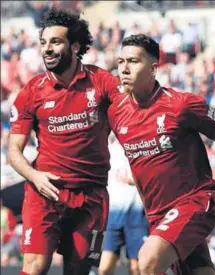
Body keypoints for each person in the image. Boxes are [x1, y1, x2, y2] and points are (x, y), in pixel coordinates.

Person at [107, 34, 215, 275]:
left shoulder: (181, 105)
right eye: (121, 61)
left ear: (153, 69)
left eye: (133, 61)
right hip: (158, 214)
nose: (124, 69)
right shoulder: (117, 113)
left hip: (196, 201)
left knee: (147, 262)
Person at [8, 7, 119, 275]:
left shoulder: (102, 82)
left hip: (91, 195)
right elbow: (14, 151)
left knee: (79, 271)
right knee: (35, 267)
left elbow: (132, 113)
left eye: (55, 42)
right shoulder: (31, 92)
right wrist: (35, 177)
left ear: (75, 45)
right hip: (45, 192)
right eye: (43, 43)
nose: (47, 49)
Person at [99, 133, 149, 275]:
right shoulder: (107, 150)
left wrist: (132, 180)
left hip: (136, 217)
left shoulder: (140, 148)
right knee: (104, 268)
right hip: (113, 217)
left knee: (136, 268)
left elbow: (151, 177)